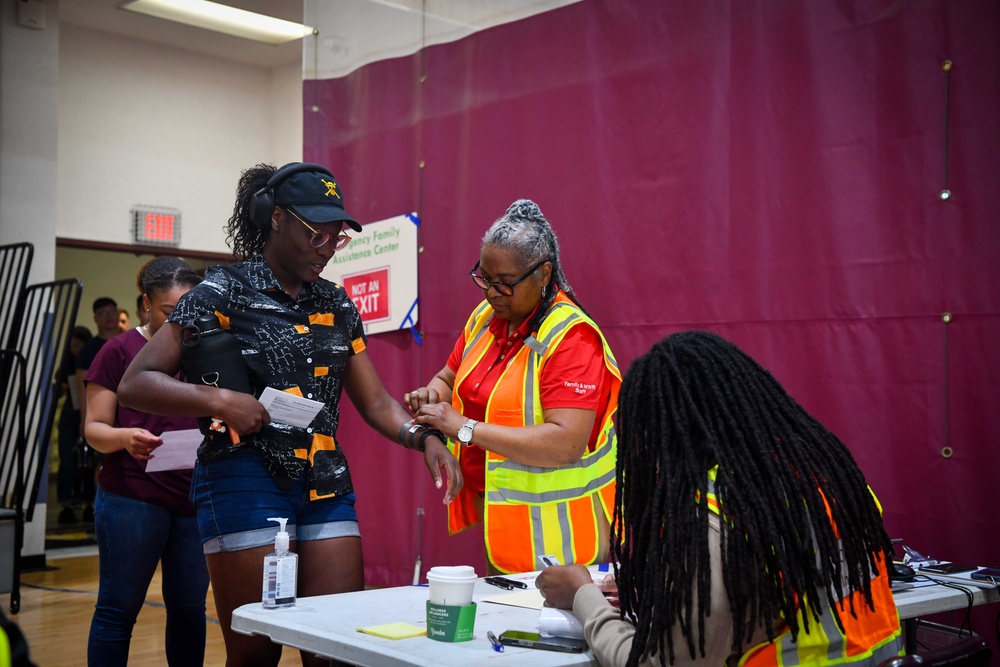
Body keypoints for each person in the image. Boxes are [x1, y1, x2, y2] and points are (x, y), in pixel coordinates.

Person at [118, 162, 462, 667]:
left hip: (325, 482)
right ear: (275, 219)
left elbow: (376, 403)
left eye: (336, 238)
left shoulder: (337, 304)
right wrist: (217, 400)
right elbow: (135, 383)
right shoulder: (222, 291)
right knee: (257, 652)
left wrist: (423, 436)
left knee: (336, 647)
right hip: (242, 477)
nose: (326, 247)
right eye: (316, 234)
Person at [535, 331, 903, 667]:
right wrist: (667, 584)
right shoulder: (824, 473)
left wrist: (584, 597)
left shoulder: (714, 516)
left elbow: (658, 664)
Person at [407, 199, 621, 574]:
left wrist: (464, 428)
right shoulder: (487, 317)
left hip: (569, 540)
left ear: (543, 275)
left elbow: (567, 443)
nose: (491, 293)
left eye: (504, 284)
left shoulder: (571, 337)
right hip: (508, 529)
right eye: (484, 278)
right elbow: (448, 377)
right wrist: (432, 395)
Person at [84, 257, 208, 666]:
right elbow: (94, 429)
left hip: (193, 500)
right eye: (169, 313)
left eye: (189, 311)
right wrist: (124, 438)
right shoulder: (118, 351)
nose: (181, 321)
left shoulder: (205, 351)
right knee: (118, 609)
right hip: (132, 498)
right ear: (145, 305)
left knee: (190, 611)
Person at [74, 297, 123, 522]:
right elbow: (82, 388)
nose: (109, 317)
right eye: (103, 313)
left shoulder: (128, 340)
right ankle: (100, 509)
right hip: (102, 415)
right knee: (102, 463)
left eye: (112, 312)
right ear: (95, 318)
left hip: (129, 413)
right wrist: (86, 419)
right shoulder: (89, 350)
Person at [55, 325, 92, 524]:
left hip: (90, 414)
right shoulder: (66, 365)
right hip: (70, 415)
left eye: (78, 345)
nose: (74, 350)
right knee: (67, 463)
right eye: (71, 346)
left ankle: (89, 504)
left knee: (89, 463)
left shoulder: (92, 359)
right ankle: (66, 505)